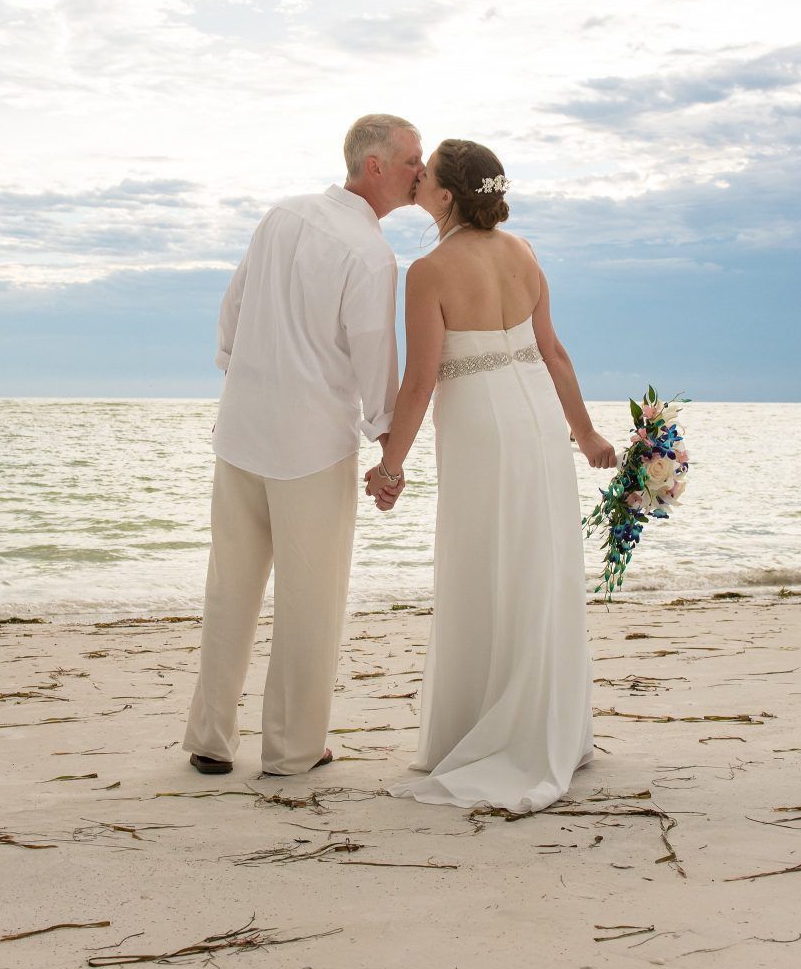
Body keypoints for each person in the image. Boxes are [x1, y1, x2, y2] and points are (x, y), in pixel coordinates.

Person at [367, 138, 618, 812]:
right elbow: (554, 352)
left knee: (483, 562)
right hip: (537, 419)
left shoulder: (429, 271)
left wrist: (391, 467)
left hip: (480, 424)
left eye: (427, 175)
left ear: (446, 195)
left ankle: (488, 729)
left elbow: (420, 382)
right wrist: (586, 434)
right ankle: (549, 724)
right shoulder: (525, 252)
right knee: (537, 561)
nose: (416, 178)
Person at [181, 114, 425, 776]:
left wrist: (244, 373)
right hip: (311, 447)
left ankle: (210, 738)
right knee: (309, 600)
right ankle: (291, 750)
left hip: (241, 431)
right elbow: (375, 356)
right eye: (411, 161)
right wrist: (387, 441)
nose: (420, 173)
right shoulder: (371, 255)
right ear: (373, 166)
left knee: (230, 587)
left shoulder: (281, 216)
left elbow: (232, 309)